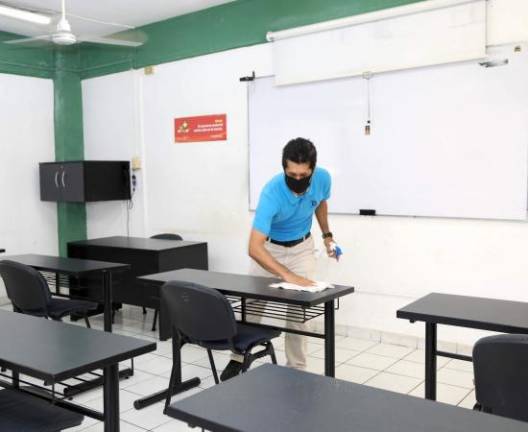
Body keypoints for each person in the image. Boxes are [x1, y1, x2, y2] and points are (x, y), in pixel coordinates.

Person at [220, 137, 337, 381]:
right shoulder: (272, 192)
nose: (297, 179)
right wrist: (288, 275)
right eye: (291, 174)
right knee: (252, 304)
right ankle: (238, 357)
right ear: (284, 167)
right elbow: (254, 247)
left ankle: (296, 369)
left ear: (312, 170)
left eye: (303, 175)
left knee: (299, 311)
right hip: (269, 250)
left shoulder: (323, 178)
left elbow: (320, 204)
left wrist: (327, 235)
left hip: (302, 248)